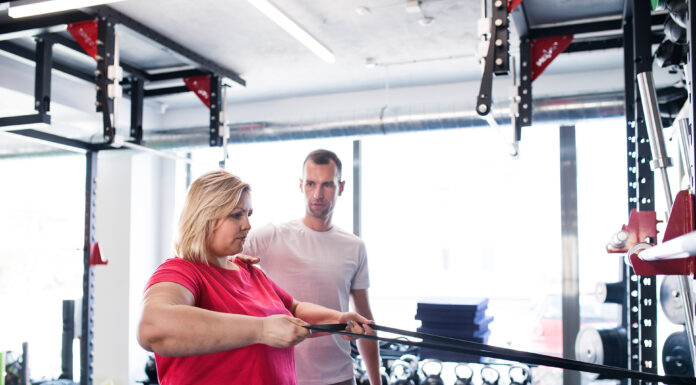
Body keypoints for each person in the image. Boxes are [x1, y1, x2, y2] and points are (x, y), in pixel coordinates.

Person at [137, 169, 371, 385]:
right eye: (236, 215)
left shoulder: (249, 272)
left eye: (248, 214)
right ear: (204, 217)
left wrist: (338, 320)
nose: (247, 225)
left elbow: (294, 311)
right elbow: (153, 327)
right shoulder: (182, 271)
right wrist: (261, 330)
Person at [243, 149, 381, 385]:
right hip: (281, 375)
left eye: (327, 184)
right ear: (300, 185)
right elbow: (217, 260)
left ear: (341, 187)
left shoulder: (355, 247)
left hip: (339, 376)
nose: (317, 193)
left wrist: (376, 382)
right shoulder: (270, 236)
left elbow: (365, 319)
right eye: (311, 184)